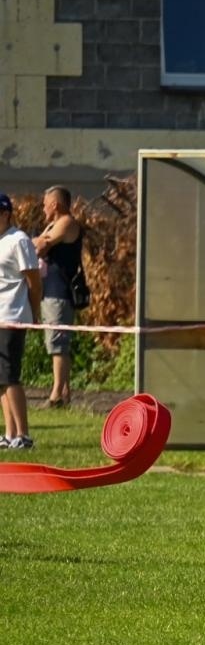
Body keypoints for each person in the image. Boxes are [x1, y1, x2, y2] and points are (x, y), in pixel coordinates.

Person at [31, 185, 83, 409]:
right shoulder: (52, 225)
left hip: (59, 293)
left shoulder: (67, 222)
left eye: (45, 204)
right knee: (54, 341)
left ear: (55, 204)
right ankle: (65, 392)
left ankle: (56, 396)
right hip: (50, 292)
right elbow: (33, 246)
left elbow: (40, 246)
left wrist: (35, 243)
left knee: (57, 344)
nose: (43, 209)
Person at [0, 194, 42, 450]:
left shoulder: (20, 240)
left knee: (10, 375)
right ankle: (10, 433)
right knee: (0, 378)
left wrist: (34, 312)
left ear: (5, 214)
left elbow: (34, 282)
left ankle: (24, 435)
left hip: (12, 316)